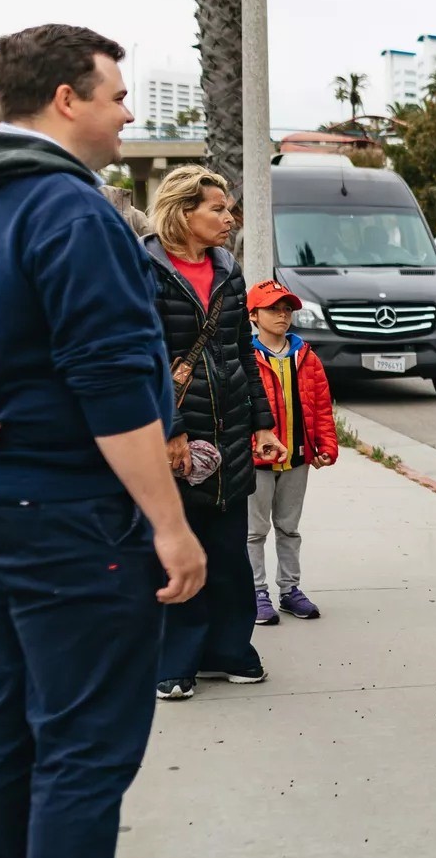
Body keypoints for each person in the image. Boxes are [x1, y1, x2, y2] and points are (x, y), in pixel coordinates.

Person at [0, 24, 206, 858]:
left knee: (15, 711)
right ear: (68, 99)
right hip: (72, 512)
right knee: (85, 747)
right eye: (117, 95)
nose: (128, 115)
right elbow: (112, 386)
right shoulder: (70, 209)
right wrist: (170, 525)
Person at [146, 166, 288, 699]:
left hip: (229, 438)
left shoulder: (229, 272)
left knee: (229, 554)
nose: (229, 218)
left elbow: (239, 356)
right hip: (177, 436)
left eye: (228, 209)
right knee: (179, 553)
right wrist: (172, 428)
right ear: (183, 213)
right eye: (217, 209)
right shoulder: (145, 271)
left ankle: (230, 651)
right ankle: (175, 662)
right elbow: (145, 358)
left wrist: (262, 423)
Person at [246, 278, 339, 625]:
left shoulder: (306, 356)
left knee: (289, 528)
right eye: (273, 309)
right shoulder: (246, 356)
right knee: (254, 531)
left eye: (287, 310)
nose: (282, 316)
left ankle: (289, 590)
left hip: (297, 457)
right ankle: (256, 592)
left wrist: (325, 445)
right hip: (257, 460)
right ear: (253, 314)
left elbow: (321, 406)